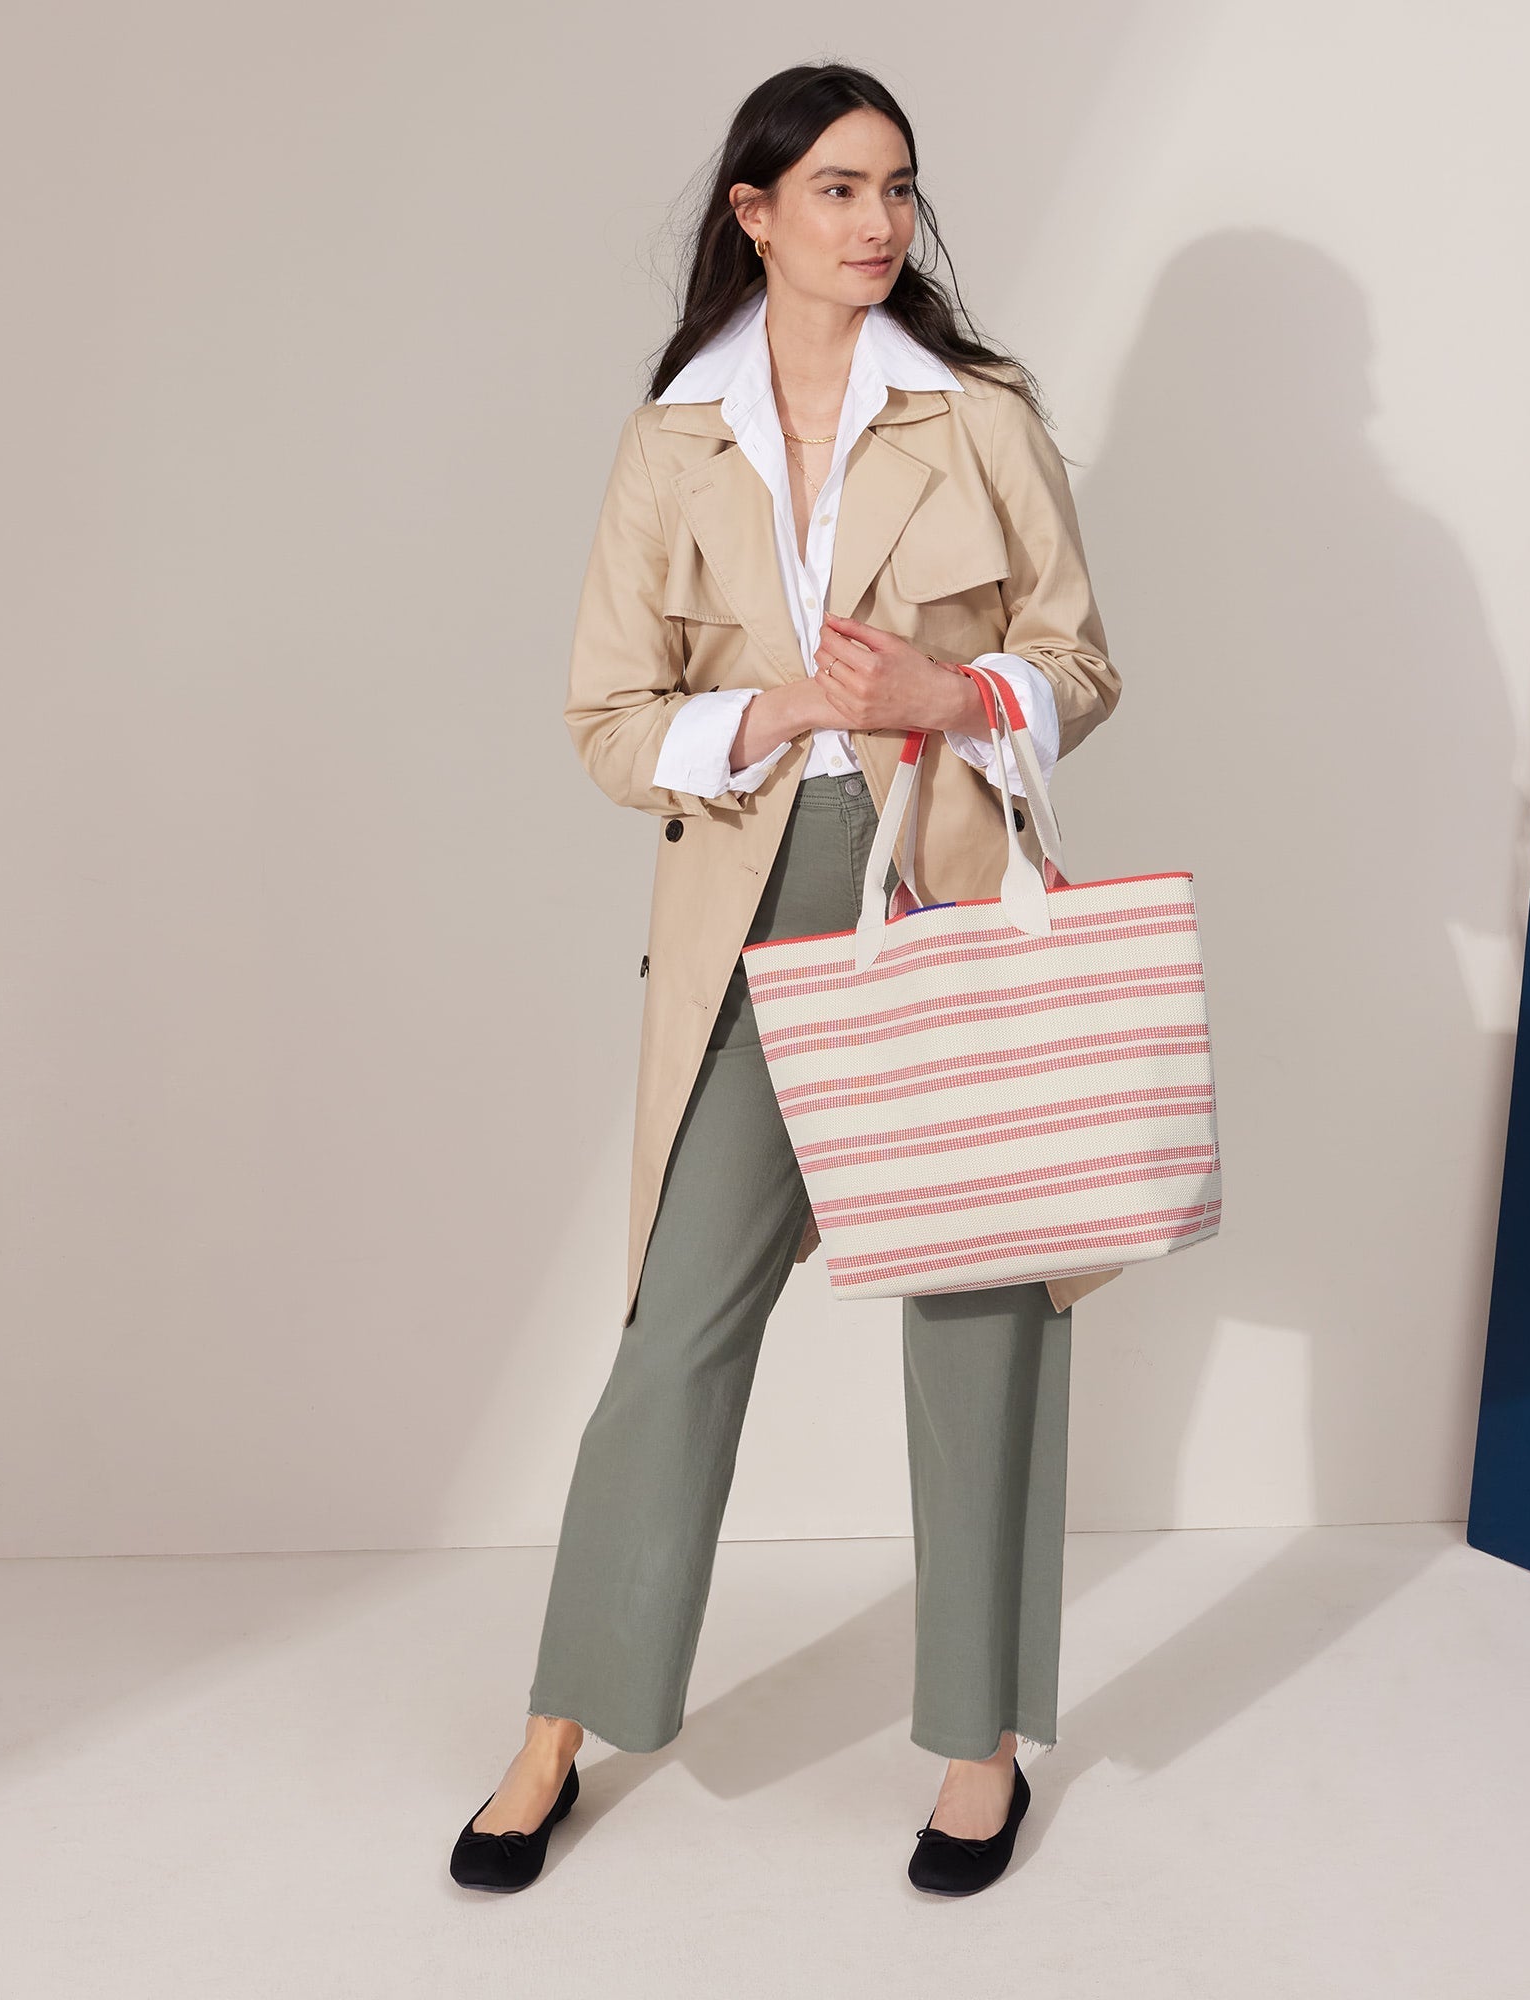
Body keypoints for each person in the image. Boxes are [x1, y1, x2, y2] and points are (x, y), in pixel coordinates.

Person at [449, 60, 1121, 1897]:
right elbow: (608, 718)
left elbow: (1079, 658)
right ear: (754, 213)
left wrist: (946, 699)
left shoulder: (978, 413)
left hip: (947, 879)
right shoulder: (673, 439)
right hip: (757, 891)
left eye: (898, 188)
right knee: (676, 1323)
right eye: (838, 190)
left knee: (978, 1315)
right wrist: (788, 708)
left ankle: (977, 1750)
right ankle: (553, 1735)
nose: (881, 222)